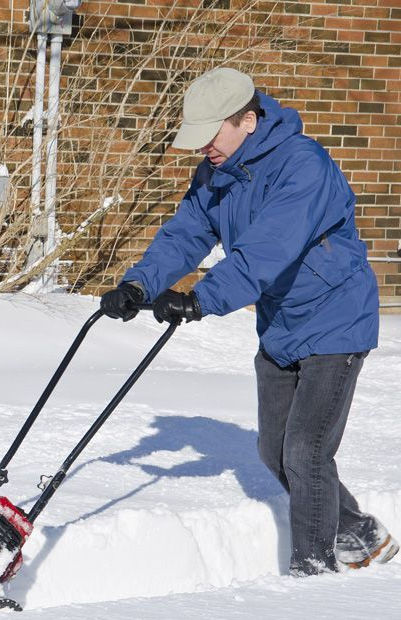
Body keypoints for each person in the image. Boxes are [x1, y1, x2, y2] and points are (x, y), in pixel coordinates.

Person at [100, 67, 397, 576]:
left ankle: (313, 573)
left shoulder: (303, 165)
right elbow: (186, 235)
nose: (202, 149)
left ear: (247, 120)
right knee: (273, 451)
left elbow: (268, 249)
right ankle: (359, 532)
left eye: (210, 136)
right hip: (281, 323)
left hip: (336, 319)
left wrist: (201, 298)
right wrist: (139, 285)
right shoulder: (218, 173)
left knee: (306, 453)